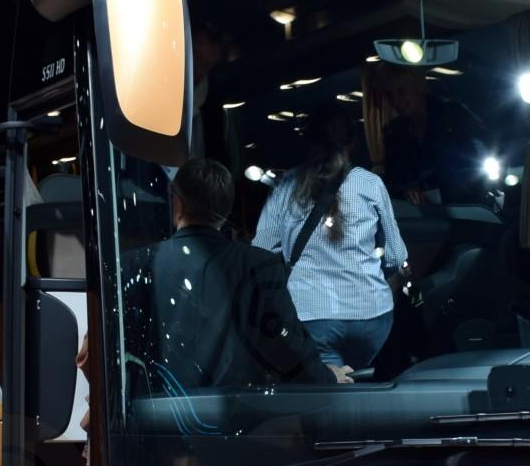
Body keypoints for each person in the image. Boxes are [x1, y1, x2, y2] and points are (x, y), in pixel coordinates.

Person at [140, 158, 337, 390]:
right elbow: (286, 345)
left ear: (177, 203)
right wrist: (329, 379)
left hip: (156, 406)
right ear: (226, 209)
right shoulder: (258, 265)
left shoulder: (139, 265)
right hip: (238, 408)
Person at [252, 116, 409, 373]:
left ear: (308, 142)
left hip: (312, 315)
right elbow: (396, 256)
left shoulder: (287, 186)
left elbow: (260, 252)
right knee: (357, 380)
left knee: (330, 388)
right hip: (372, 315)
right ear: (352, 143)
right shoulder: (369, 183)